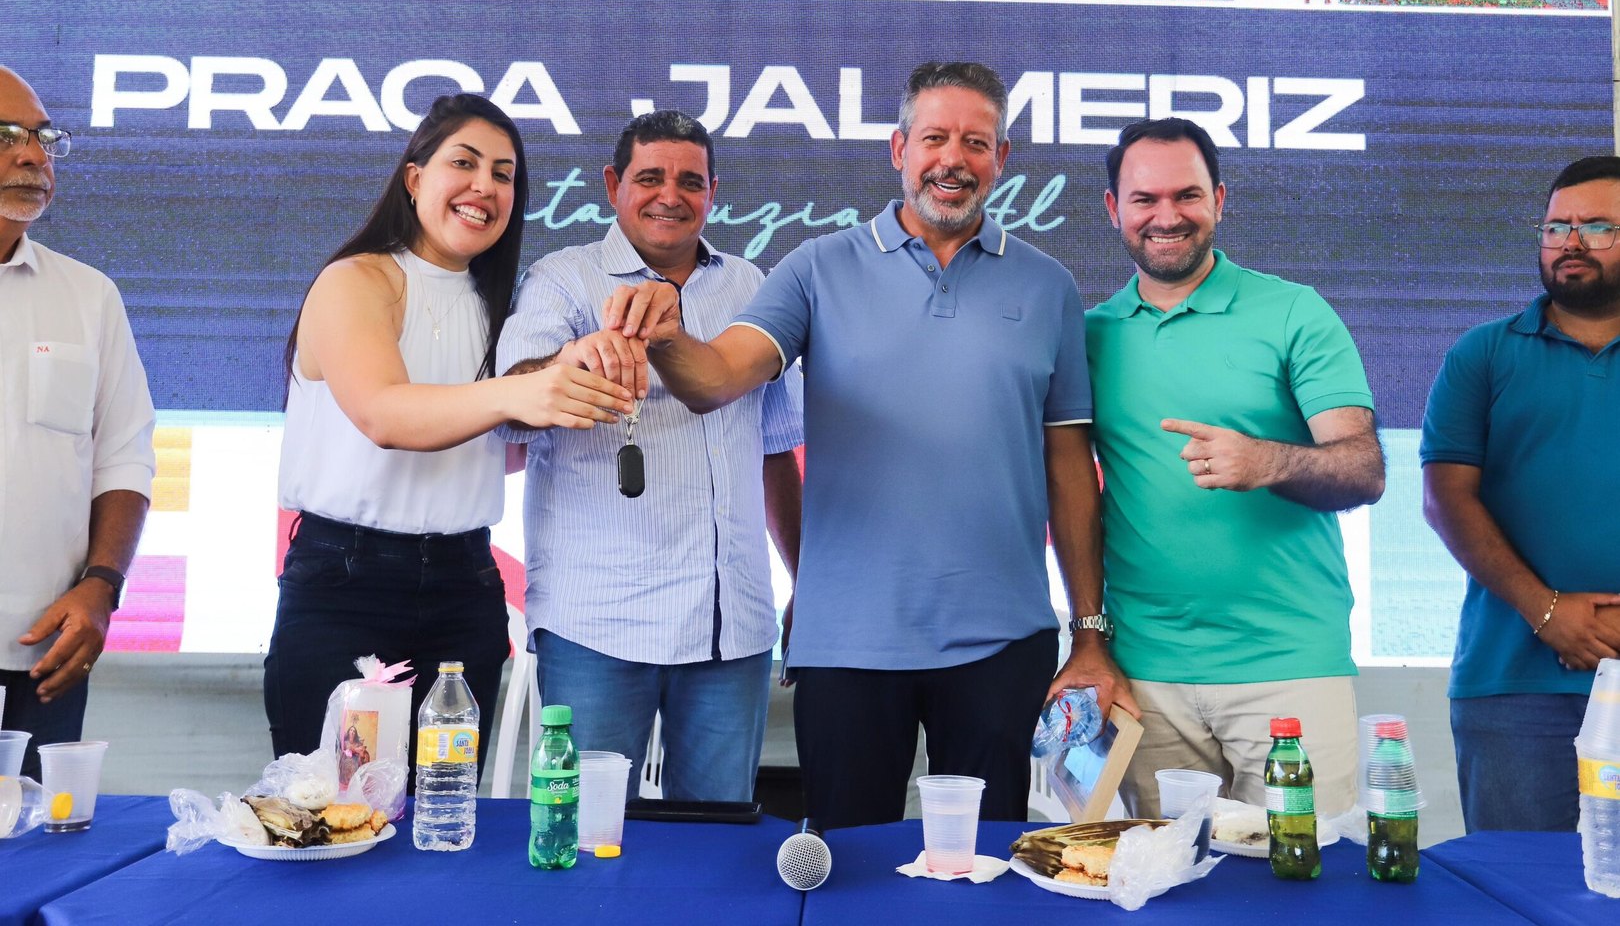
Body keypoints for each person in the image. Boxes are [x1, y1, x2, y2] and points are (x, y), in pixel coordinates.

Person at [602, 62, 1125, 829]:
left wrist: (1089, 630)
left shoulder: (1049, 287)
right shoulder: (816, 268)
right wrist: (668, 334)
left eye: (975, 142)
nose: (953, 159)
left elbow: (1070, 468)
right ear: (899, 149)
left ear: (1001, 158)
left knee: (983, 868)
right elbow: (714, 381)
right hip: (845, 644)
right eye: (934, 138)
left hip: (1003, 641)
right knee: (847, 868)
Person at [264, 93, 636, 780]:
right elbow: (384, 415)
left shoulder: (505, 307)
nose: (484, 186)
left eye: (503, 173)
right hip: (346, 585)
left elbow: (495, 449)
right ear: (414, 178)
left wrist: (574, 382)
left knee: (447, 809)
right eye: (463, 163)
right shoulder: (356, 280)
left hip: (466, 587)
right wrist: (523, 390)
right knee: (335, 811)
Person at [496, 110, 804, 801]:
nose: (671, 195)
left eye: (690, 181)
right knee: (587, 836)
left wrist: (803, 581)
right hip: (596, 625)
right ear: (613, 185)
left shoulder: (752, 287)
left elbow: (777, 450)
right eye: (650, 178)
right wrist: (574, 360)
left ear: (713, 192)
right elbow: (511, 401)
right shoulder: (564, 279)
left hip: (732, 627)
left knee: (717, 842)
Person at [1086, 117, 1385, 817]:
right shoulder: (1088, 334)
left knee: (1304, 869)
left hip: (1289, 667)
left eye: (1187, 195)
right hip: (1145, 673)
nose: (1167, 216)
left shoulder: (1294, 312)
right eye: (1145, 199)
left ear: (1219, 200)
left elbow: (1364, 468)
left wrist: (1266, 460)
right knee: (1164, 873)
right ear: (1113, 209)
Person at [1422, 156, 1620, 832]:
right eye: (1557, 227)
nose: (1571, 242)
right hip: (1512, 685)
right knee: (1517, 881)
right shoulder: (1481, 355)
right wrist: (1549, 613)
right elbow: (1446, 500)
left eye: (1597, 227)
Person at [0, 66, 155, 782]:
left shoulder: (89, 296)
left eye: (42, 137)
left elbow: (124, 457)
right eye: (7, 136)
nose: (34, 155)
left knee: (31, 842)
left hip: (43, 655)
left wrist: (102, 587)